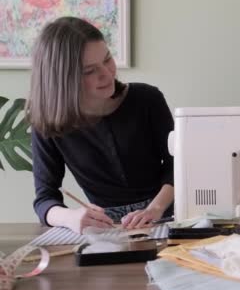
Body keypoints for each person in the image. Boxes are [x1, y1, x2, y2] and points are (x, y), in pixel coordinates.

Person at [27, 17, 174, 233]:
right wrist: (70, 217)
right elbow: (45, 198)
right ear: (63, 79)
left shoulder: (147, 99)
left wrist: (155, 208)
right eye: (89, 71)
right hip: (107, 230)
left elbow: (178, 165)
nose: (106, 74)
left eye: (107, 59)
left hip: (167, 216)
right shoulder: (48, 121)